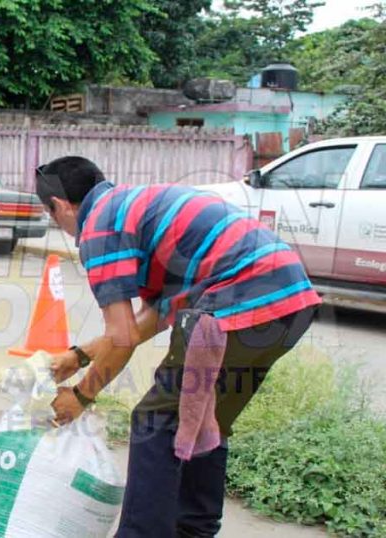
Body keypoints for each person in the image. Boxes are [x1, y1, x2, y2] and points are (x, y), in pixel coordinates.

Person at [35, 156, 322, 537]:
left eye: (51, 215)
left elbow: (123, 339)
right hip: (291, 301)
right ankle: (194, 531)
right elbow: (151, 316)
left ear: (59, 206)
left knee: (156, 421)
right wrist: (79, 355)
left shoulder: (99, 228)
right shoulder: (132, 205)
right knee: (206, 417)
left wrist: (82, 396)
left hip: (241, 301)